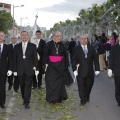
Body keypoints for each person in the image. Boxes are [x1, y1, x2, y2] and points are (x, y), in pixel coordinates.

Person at [72, 34, 100, 106]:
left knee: (89, 85)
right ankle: (82, 99)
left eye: (85, 38)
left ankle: (87, 96)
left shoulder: (92, 48)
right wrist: (74, 70)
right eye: (82, 39)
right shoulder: (76, 49)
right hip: (80, 71)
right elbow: (73, 60)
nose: (84, 40)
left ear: (87, 39)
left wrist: (97, 69)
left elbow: (96, 59)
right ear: (79, 40)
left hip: (90, 71)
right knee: (81, 86)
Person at [13, 31, 39, 109]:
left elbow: (35, 58)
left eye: (25, 35)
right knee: (22, 86)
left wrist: (36, 68)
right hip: (20, 70)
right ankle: (24, 99)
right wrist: (14, 70)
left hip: (29, 70)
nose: (24, 36)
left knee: (28, 86)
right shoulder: (17, 46)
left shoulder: (33, 46)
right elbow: (14, 59)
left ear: (28, 36)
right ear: (21, 36)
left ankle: (27, 102)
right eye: (22, 35)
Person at [44, 31, 68, 104]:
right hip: (51, 67)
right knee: (51, 84)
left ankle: (58, 98)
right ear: (53, 36)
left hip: (60, 67)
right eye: (57, 36)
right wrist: (45, 64)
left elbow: (66, 56)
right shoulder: (48, 44)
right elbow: (45, 55)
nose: (59, 37)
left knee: (59, 84)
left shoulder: (63, 44)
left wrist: (66, 65)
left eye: (60, 36)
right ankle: (52, 99)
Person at [0, 31, 12, 109]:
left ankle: (2, 103)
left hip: (3, 70)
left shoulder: (7, 47)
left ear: (4, 37)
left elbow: (10, 59)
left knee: (2, 87)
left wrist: (10, 69)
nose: (0, 37)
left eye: (1, 35)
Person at [108, 35, 120, 106]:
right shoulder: (114, 48)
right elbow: (111, 59)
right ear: (118, 37)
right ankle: (119, 100)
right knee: (118, 87)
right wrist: (110, 69)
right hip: (118, 71)